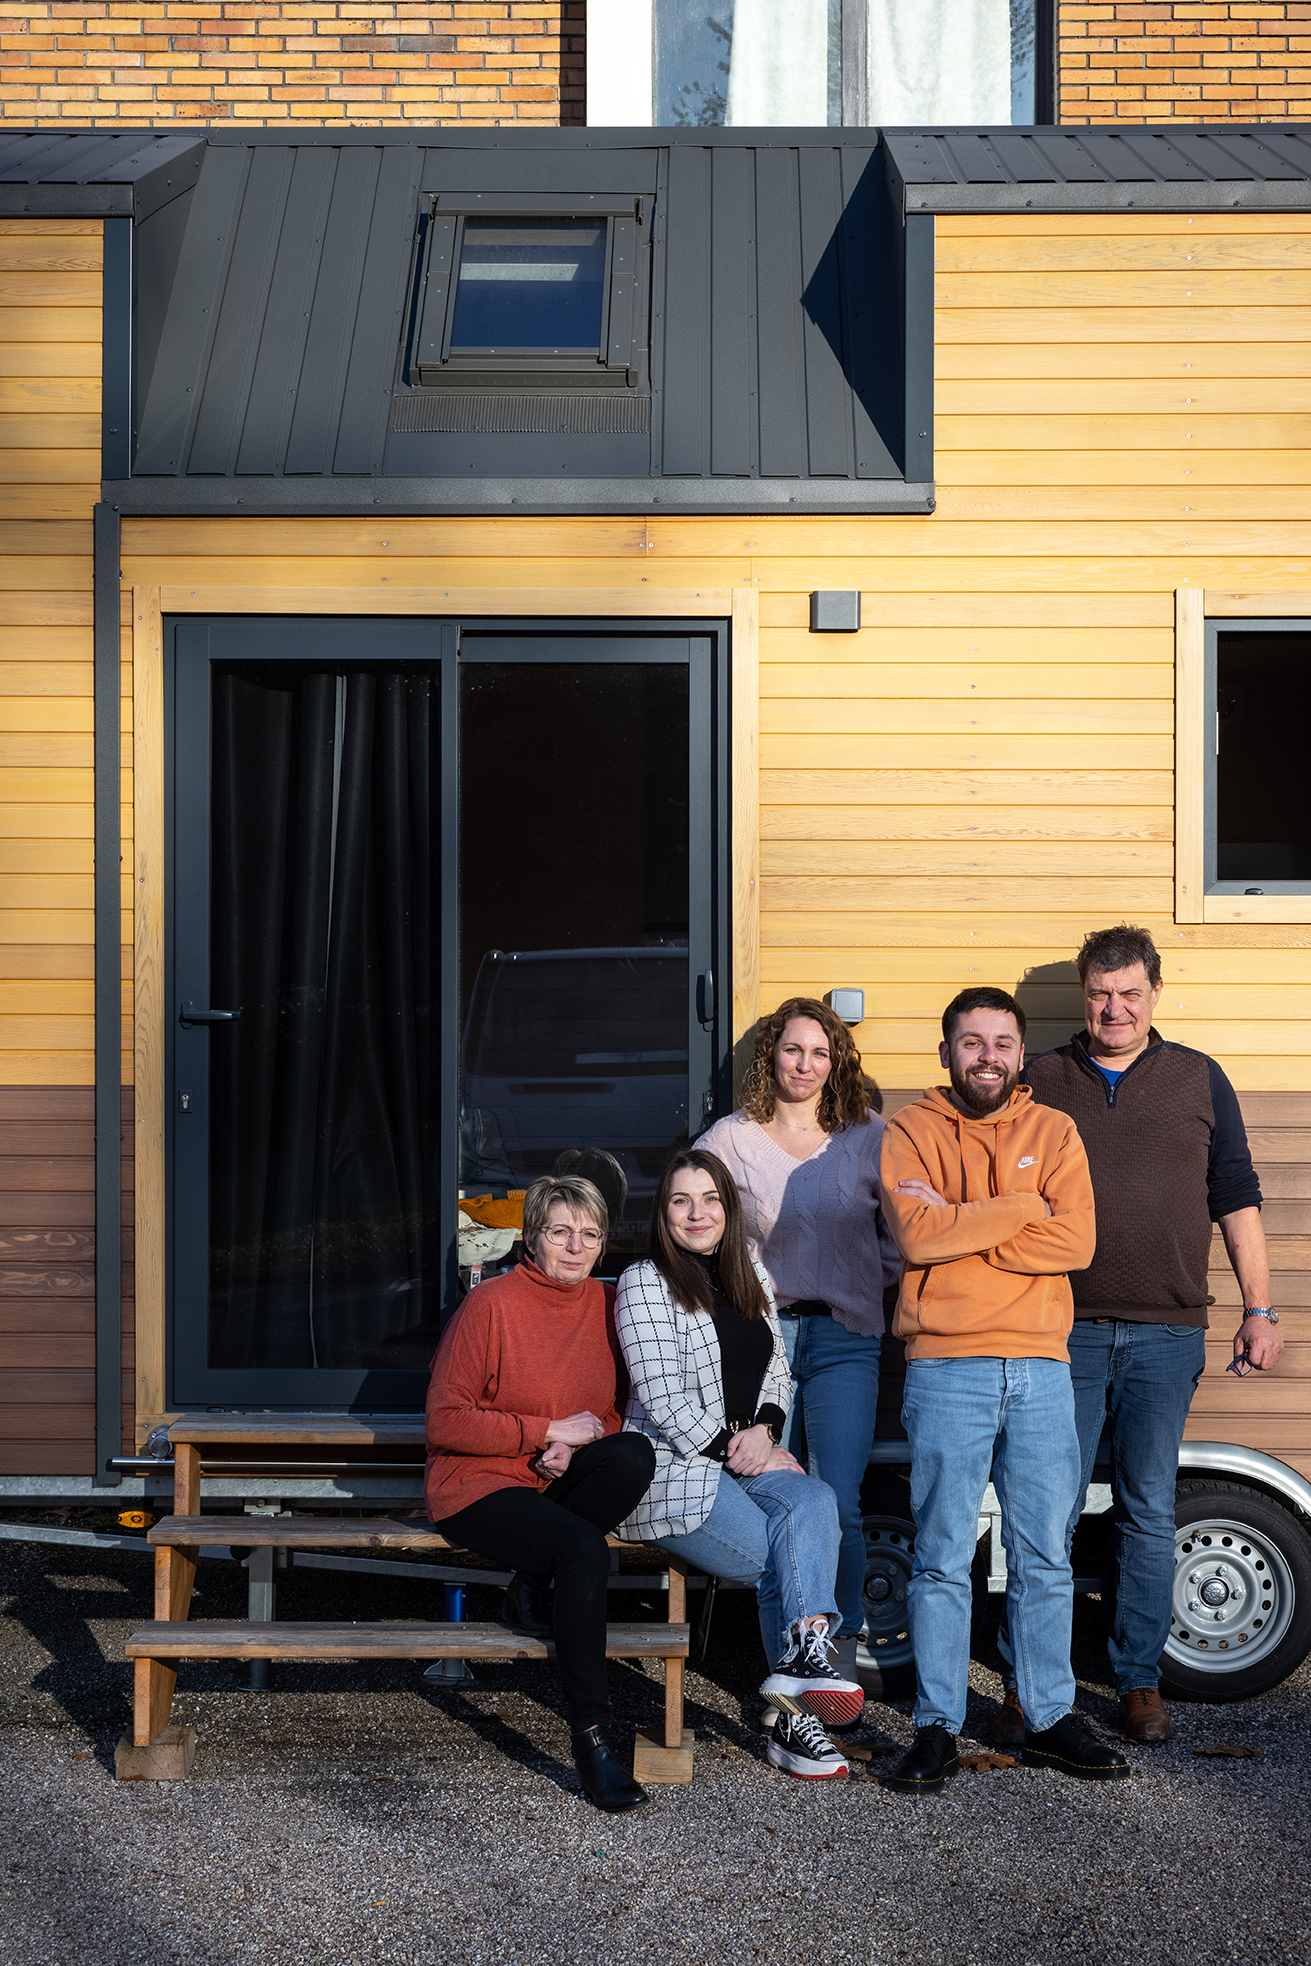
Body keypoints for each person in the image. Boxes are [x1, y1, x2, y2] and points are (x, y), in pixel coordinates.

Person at [991, 924, 1284, 1748]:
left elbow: (1235, 1193)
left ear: (1155, 992)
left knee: (1146, 1509)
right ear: (1082, 997)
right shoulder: (1041, 1077)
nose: (1112, 1008)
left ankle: (1136, 1681)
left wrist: (1256, 1310)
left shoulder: (1197, 1077)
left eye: (1127, 993)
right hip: (1061, 1332)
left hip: (1165, 1332)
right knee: (1041, 1511)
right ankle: (1026, 1684)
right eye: (1098, 994)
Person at [879, 985, 1130, 1792]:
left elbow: (1077, 1240)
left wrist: (967, 1227)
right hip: (944, 1366)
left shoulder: (1052, 1129)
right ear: (946, 1051)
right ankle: (937, 1726)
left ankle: (1049, 1716)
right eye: (970, 1041)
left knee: (1042, 1556)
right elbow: (915, 1232)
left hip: (1039, 1368)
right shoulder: (910, 1130)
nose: (986, 1055)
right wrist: (1019, 1209)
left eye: (1000, 1042)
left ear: (1020, 1055)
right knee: (942, 1557)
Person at [616, 1148, 862, 1781]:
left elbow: (778, 1367)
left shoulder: (749, 1268)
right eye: (680, 1201)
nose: (697, 1214)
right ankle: (795, 1716)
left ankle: (801, 1669)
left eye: (710, 1199)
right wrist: (741, 1445)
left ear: (728, 1207)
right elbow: (662, 1399)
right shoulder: (645, 1280)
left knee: (816, 1502)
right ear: (662, 1211)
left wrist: (770, 1429)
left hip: (747, 1454)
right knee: (786, 1549)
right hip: (674, 1471)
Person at [424, 1172, 657, 1812]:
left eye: (589, 1235)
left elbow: (611, 1414)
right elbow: (445, 1420)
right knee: (583, 1548)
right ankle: (592, 1736)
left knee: (632, 1454)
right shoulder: (490, 1305)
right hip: (477, 1486)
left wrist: (574, 1445)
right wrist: (542, 1430)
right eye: (561, 1233)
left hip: (549, 1479)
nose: (576, 1248)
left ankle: (529, 1587)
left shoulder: (607, 1308)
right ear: (533, 1238)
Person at [698, 997, 900, 1691]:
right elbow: (697, 1232)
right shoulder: (729, 1139)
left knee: (836, 1499)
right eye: (792, 1050)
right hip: (763, 1337)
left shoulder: (867, 1135)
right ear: (771, 1056)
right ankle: (784, 1654)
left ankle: (830, 1659)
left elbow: (899, 1235)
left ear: (835, 1061)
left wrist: (880, 1288)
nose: (805, 1065)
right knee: (775, 1493)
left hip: (846, 1337)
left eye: (819, 1052)